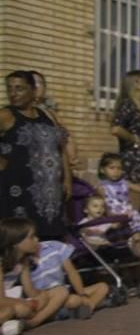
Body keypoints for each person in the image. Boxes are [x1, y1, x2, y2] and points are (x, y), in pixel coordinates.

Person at [0, 71, 71, 240]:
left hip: (50, 192)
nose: (13, 94)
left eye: (19, 88)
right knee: (20, 238)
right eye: (9, 89)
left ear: (33, 90)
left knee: (50, 239)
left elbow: (61, 148)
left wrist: (67, 179)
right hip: (17, 190)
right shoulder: (5, 115)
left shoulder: (48, 116)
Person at [0, 217, 70, 329]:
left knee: (61, 291)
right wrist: (26, 303)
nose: (37, 239)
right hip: (5, 303)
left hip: (14, 299)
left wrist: (41, 295)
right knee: (17, 310)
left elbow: (30, 291)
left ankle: (33, 322)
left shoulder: (23, 261)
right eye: (31, 237)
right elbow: (1, 299)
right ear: (16, 242)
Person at [110, 70, 140, 213]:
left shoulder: (138, 107)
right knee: (132, 214)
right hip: (130, 165)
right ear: (137, 83)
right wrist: (135, 139)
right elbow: (116, 129)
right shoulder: (127, 104)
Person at [96, 153, 140, 256]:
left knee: (138, 238)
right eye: (112, 168)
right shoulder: (102, 187)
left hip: (129, 217)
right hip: (113, 217)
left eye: (119, 168)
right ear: (102, 169)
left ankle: (139, 258)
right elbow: (103, 205)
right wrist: (110, 217)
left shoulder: (125, 183)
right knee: (116, 243)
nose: (116, 171)